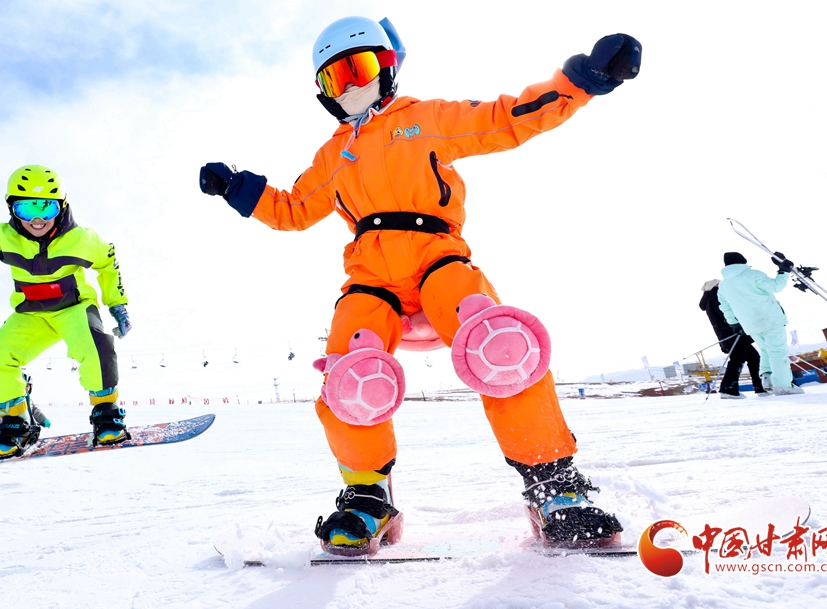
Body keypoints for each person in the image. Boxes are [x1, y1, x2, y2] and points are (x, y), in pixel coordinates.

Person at [199, 16, 641, 553]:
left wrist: (582, 81)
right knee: (348, 374)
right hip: (371, 277)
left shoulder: (424, 119)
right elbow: (293, 209)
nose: (350, 87)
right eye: (334, 79)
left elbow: (506, 118)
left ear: (387, 67)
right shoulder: (332, 156)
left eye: (359, 68)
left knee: (502, 346)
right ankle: (367, 497)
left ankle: (554, 486)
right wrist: (236, 188)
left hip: (438, 257)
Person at [0, 165, 132, 459]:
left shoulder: (82, 240)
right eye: (26, 208)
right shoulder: (2, 237)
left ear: (62, 206)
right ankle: (17, 422)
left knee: (95, 344)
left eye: (46, 208)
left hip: (73, 309)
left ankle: (106, 413)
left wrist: (117, 304)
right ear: (11, 208)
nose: (37, 219)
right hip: (31, 315)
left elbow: (108, 262)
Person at [718, 252, 803, 396]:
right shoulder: (753, 274)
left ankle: (767, 379)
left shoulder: (724, 285)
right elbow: (775, 287)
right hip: (770, 319)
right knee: (777, 351)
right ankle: (783, 386)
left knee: (765, 350)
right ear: (743, 261)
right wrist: (783, 272)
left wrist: (734, 324)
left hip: (750, 324)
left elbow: (725, 307)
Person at [699, 279, 767, 399]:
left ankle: (759, 387)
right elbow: (726, 315)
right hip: (733, 334)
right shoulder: (715, 298)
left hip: (732, 335)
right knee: (739, 360)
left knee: (752, 358)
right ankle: (728, 388)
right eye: (720, 284)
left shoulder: (712, 298)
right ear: (715, 286)